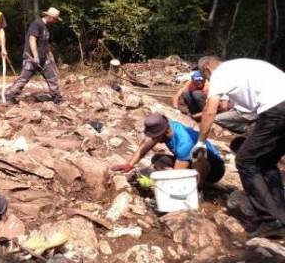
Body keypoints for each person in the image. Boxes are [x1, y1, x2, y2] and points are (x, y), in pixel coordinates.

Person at [195, 56, 285, 238]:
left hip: (276, 110)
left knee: (245, 161)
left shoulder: (219, 74)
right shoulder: (243, 66)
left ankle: (270, 220)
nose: (208, 82)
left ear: (207, 69)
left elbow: (210, 110)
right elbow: (242, 108)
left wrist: (201, 141)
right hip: (279, 106)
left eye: (206, 78)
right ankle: (280, 214)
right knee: (267, 162)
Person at [112, 113, 225, 189]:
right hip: (188, 159)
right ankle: (187, 180)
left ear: (164, 132)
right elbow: (145, 147)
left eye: (156, 137)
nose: (154, 140)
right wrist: (129, 165)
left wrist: (153, 183)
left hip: (214, 170)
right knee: (158, 159)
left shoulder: (184, 143)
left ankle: (197, 189)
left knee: (199, 159)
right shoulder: (166, 127)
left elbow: (175, 176)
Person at [5, 7, 64, 104]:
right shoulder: (37, 24)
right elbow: (32, 39)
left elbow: (46, 44)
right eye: (55, 19)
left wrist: (51, 58)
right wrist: (35, 57)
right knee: (24, 79)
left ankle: (57, 98)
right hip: (31, 58)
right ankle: (11, 96)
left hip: (44, 59)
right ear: (49, 16)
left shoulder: (47, 27)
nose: (55, 21)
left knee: (52, 78)